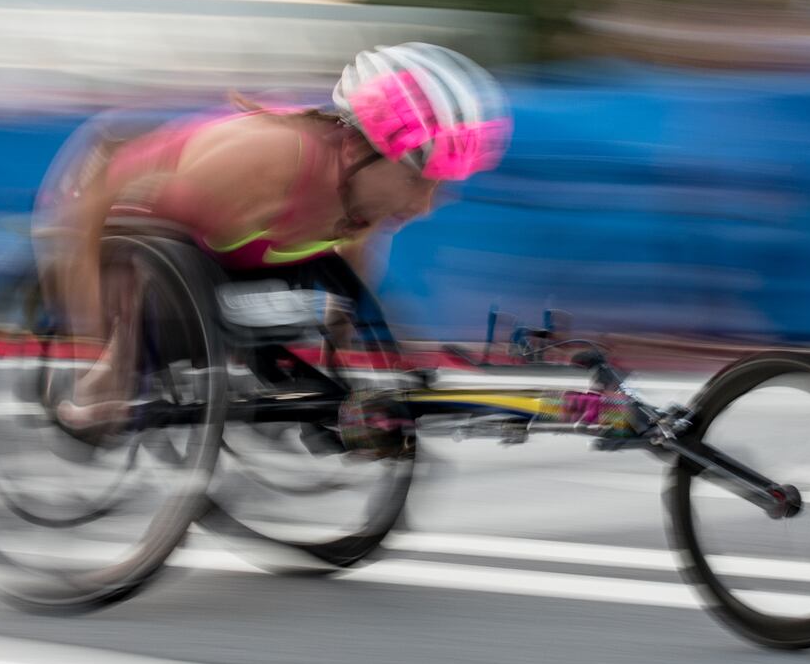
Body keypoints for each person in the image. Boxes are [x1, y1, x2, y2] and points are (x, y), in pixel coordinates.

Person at [33, 42, 512, 430]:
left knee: (287, 316)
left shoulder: (361, 199)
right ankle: (112, 371)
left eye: (440, 187)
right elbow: (100, 210)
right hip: (119, 208)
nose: (424, 206)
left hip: (236, 248)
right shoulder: (266, 159)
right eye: (416, 180)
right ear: (356, 148)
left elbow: (350, 287)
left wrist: (342, 365)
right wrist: (95, 338)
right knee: (169, 323)